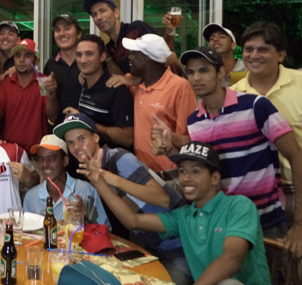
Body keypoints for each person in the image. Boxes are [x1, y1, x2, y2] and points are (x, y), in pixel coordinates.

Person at [159, 46, 302, 255]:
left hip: (265, 221)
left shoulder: (255, 105)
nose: (196, 77)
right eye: (190, 72)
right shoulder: (195, 121)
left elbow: (296, 156)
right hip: (223, 223)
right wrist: (169, 149)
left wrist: (299, 223)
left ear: (221, 73)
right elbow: (207, 172)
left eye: (204, 70)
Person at [83, 140, 271, 285]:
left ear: (214, 178)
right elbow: (132, 221)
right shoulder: (184, 215)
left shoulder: (238, 205)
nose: (186, 178)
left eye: (195, 171)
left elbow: (232, 257)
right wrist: (99, 182)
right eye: (182, 171)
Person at [53, 113, 190, 284]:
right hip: (148, 248)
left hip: (180, 249)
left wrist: (110, 178)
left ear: (96, 137)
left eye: (81, 138)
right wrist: (83, 215)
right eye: (71, 142)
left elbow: (164, 199)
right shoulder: (93, 171)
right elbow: (129, 221)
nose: (76, 146)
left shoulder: (119, 158)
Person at [231, 22, 302, 252]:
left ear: (281, 55)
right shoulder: (234, 95)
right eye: (249, 49)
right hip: (260, 203)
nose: (254, 55)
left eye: (263, 49)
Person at [123, 34, 197, 174]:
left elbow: (191, 139)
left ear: (146, 59)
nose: (129, 57)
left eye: (134, 54)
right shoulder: (136, 84)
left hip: (172, 172)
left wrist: (169, 137)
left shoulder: (180, 86)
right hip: (144, 173)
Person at [64, 35, 133, 148]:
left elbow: (127, 138)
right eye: (79, 55)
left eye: (89, 54)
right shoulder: (84, 83)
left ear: (102, 57)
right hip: (88, 160)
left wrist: (84, 121)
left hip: (110, 162)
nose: (83, 60)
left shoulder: (116, 89)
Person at [0, 39, 59, 151]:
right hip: (10, 151)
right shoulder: (6, 82)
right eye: (17, 55)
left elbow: (52, 117)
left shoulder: (43, 82)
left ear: (36, 61)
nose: (21, 60)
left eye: (27, 55)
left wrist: (52, 95)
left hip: (37, 151)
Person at [23, 135, 109, 225]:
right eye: (41, 159)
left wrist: (84, 220)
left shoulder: (85, 190)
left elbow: (103, 231)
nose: (45, 164)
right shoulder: (31, 197)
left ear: (65, 161)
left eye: (52, 159)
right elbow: (27, 235)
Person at [83, 0, 156, 75]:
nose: (98, 17)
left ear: (116, 13)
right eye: (94, 15)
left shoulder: (137, 28)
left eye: (102, 11)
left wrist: (134, 80)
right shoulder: (109, 49)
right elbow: (120, 79)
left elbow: (163, 57)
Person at [44, 14, 82, 125]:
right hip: (60, 131)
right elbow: (51, 116)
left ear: (79, 34)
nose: (62, 33)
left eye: (67, 28)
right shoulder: (50, 65)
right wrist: (51, 94)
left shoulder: (88, 62)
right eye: (57, 30)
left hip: (88, 131)